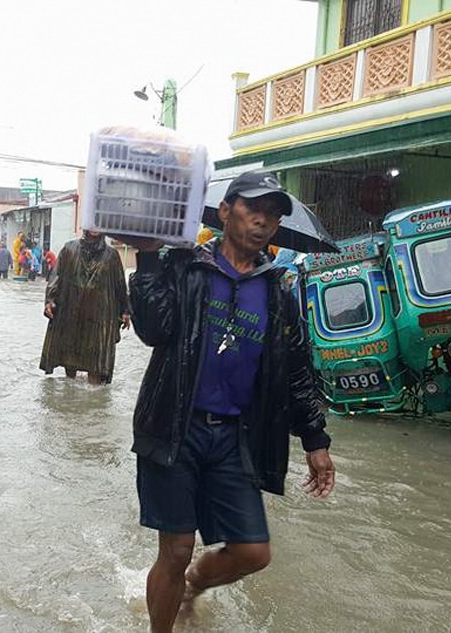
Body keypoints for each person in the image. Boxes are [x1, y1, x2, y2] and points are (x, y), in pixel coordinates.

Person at [126, 171, 335, 633]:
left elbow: (296, 368)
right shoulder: (187, 266)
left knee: (253, 552)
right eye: (253, 208)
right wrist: (147, 258)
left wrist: (315, 440)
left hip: (235, 436)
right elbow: (151, 330)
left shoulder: (278, 292)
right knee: (175, 548)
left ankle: (194, 585)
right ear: (225, 211)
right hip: (174, 428)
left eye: (274, 213)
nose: (263, 220)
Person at [39, 231, 130, 385]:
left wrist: (125, 310)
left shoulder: (111, 255)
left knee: (97, 364)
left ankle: (94, 402)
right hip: (71, 311)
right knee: (69, 358)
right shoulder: (69, 249)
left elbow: (119, 284)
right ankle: (69, 396)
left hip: (99, 316)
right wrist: (50, 300)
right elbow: (56, 276)